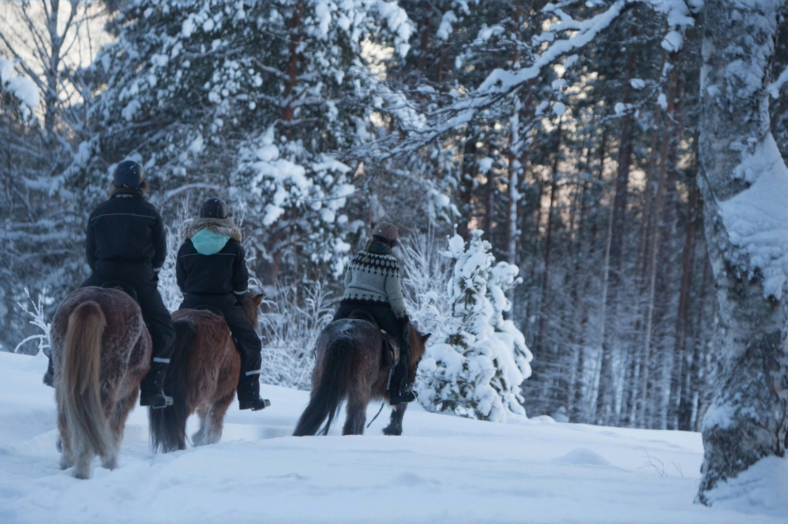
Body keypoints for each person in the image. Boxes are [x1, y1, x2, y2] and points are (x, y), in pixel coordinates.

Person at [43, 160, 175, 409]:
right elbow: (160, 254)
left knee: (65, 309)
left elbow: (90, 253)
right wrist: (150, 275)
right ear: (142, 185)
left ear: (113, 183)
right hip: (139, 277)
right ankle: (152, 389)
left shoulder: (100, 211)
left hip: (102, 274)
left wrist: (101, 271)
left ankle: (54, 368)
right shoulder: (150, 213)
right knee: (165, 330)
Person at [175, 198, 269, 411]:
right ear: (225, 219)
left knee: (167, 338)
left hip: (191, 303)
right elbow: (240, 286)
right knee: (252, 343)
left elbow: (181, 282)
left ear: (200, 219)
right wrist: (235, 300)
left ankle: (160, 388)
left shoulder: (187, 246)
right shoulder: (233, 246)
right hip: (224, 304)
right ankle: (249, 396)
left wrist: (192, 295)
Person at [333, 222, 416, 404]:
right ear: (391, 243)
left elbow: (347, 282)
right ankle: (397, 390)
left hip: (348, 305)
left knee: (329, 335)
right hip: (378, 309)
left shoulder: (357, 257)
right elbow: (394, 297)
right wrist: (402, 318)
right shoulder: (390, 263)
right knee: (403, 344)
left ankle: (322, 370)